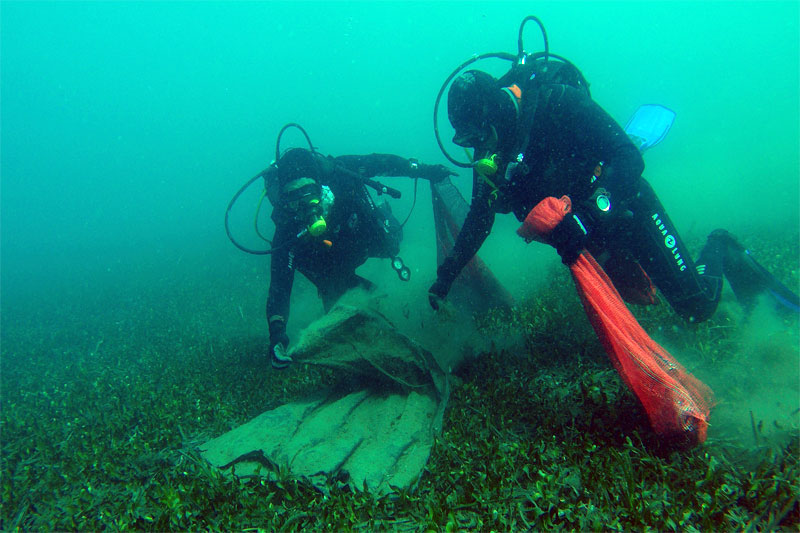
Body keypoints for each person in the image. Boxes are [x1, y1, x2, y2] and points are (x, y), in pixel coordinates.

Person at [428, 68, 799, 322]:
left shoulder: (559, 103)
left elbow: (627, 158)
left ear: (497, 113)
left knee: (695, 307)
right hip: (590, 235)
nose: (478, 149)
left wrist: (589, 216)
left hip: (625, 207)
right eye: (468, 141)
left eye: (478, 137)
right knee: (637, 296)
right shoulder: (491, 153)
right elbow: (480, 216)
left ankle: (722, 247)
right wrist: (446, 274)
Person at [265, 146, 453, 369]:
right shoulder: (287, 231)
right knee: (343, 309)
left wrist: (422, 170)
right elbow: (280, 286)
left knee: (392, 240)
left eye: (309, 193)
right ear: (285, 200)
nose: (307, 207)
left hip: (363, 237)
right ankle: (366, 297)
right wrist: (277, 336)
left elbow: (381, 161)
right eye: (295, 198)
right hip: (333, 266)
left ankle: (384, 212)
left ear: (320, 184)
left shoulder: (341, 172)